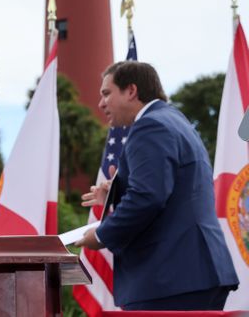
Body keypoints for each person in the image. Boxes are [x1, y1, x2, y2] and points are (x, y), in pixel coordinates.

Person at [76, 61, 238, 310]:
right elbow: (173, 188)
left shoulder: (150, 127)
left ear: (131, 91)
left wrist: (100, 235)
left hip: (171, 278)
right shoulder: (173, 120)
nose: (101, 103)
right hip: (188, 274)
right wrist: (115, 192)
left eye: (107, 93)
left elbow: (147, 197)